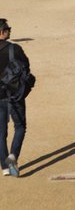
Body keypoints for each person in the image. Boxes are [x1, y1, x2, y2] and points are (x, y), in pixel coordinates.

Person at [0, 18, 31, 177]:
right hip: (14, 94)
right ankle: (13, 156)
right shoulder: (14, 49)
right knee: (20, 127)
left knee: (0, 132)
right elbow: (26, 67)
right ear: (3, 32)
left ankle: (4, 167)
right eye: (8, 29)